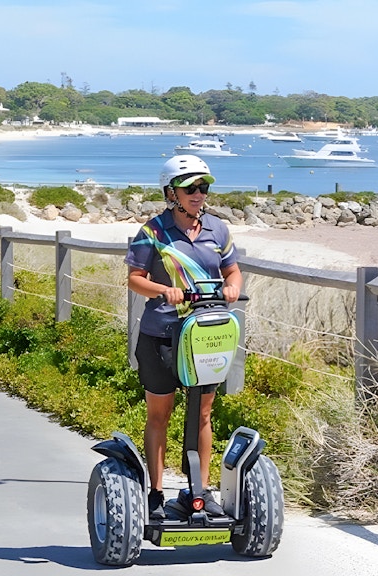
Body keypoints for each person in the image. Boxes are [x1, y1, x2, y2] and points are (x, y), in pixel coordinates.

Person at [125, 154, 243, 519]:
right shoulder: (153, 232)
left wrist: (233, 288)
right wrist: (164, 290)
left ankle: (200, 491)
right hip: (161, 335)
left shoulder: (217, 230)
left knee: (203, 415)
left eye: (203, 187)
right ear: (171, 192)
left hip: (204, 336)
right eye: (190, 187)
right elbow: (134, 278)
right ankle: (157, 493)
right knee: (160, 414)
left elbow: (233, 270)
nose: (198, 194)